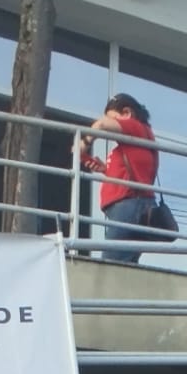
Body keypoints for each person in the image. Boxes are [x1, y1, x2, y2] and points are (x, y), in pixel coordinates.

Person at [79, 93, 158, 265]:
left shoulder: (136, 127)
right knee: (124, 264)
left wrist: (82, 144)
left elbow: (100, 125)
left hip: (128, 206)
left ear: (127, 113)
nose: (112, 125)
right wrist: (105, 170)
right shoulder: (134, 142)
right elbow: (136, 170)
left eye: (113, 118)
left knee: (110, 266)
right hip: (130, 205)